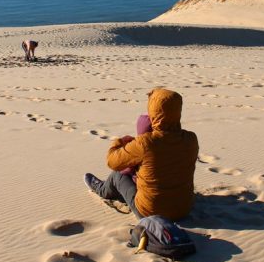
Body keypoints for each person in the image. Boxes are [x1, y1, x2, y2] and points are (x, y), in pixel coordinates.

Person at [84, 88, 199, 220]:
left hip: (150, 212)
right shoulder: (191, 139)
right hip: (183, 209)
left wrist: (120, 142)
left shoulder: (146, 142)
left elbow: (112, 161)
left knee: (117, 175)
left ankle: (102, 189)